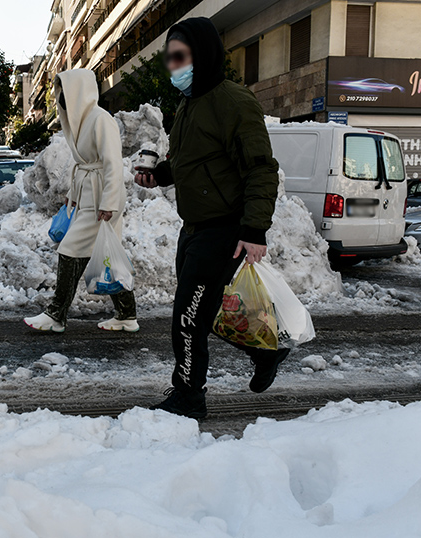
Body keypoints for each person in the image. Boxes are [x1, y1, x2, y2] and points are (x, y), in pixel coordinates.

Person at [135, 17, 289, 418]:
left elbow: (260, 169)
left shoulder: (234, 102)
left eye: (180, 57)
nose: (173, 66)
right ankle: (265, 351)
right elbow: (187, 162)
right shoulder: (187, 106)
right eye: (169, 59)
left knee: (187, 317)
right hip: (194, 228)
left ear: (201, 55)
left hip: (224, 230)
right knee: (205, 314)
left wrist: (254, 229)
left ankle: (189, 397)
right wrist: (159, 175)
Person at [24, 69, 138, 334]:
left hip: (102, 199)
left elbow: (112, 163)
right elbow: (84, 165)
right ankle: (126, 314)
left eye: (66, 92)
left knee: (70, 249)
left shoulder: (101, 119)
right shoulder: (82, 122)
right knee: (106, 256)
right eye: (60, 92)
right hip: (91, 195)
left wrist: (109, 203)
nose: (62, 98)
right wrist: (73, 196)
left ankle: (55, 314)